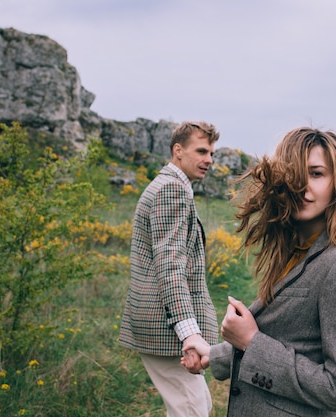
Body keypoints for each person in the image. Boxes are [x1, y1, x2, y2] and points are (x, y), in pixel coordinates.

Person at [183, 127, 336, 416]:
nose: (302, 186)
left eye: (316, 174)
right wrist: (214, 354)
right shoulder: (294, 253)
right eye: (294, 174)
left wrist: (251, 342)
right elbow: (288, 340)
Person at [119, 121, 220, 417]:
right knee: (193, 410)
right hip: (167, 328)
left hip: (165, 324)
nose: (209, 160)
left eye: (211, 152)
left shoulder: (170, 186)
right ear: (178, 151)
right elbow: (170, 264)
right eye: (201, 151)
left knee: (197, 405)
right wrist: (188, 332)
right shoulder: (171, 189)